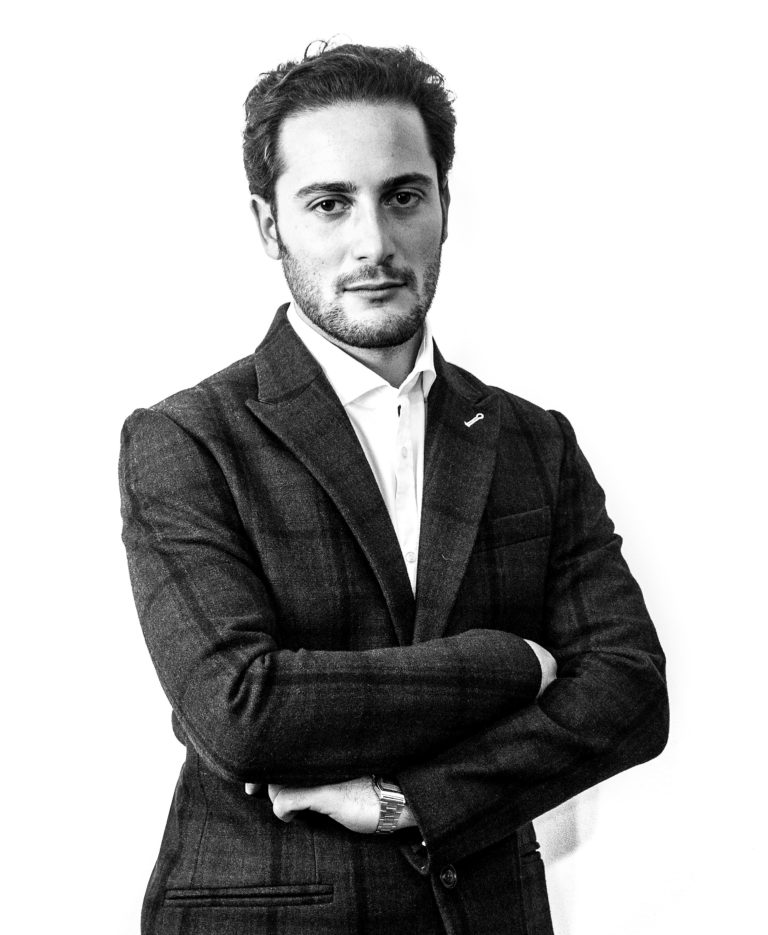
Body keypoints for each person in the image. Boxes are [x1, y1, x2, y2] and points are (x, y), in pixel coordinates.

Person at [119, 41, 668, 935]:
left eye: (403, 196)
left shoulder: (533, 440)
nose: (373, 243)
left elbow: (631, 690)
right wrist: (512, 662)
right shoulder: (186, 439)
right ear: (269, 226)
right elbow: (241, 710)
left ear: (445, 205)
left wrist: (412, 797)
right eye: (329, 203)